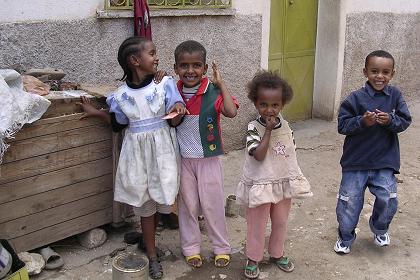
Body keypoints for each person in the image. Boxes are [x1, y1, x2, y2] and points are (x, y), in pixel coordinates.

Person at [79, 36, 187, 279]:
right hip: (137, 158)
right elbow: (118, 124)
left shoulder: (164, 84)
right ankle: (151, 255)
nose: (157, 57)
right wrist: (97, 113)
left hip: (162, 155)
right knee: (146, 207)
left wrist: (178, 110)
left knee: (160, 198)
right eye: (152, 53)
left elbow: (177, 113)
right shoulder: (120, 96)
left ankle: (147, 240)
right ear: (135, 60)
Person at [235, 70, 312, 279]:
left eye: (275, 105)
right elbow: (258, 155)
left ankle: (277, 254)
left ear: (282, 105)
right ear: (255, 103)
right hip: (260, 184)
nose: (269, 110)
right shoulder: (253, 127)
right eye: (263, 105)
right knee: (257, 224)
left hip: (281, 183)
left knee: (280, 221)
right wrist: (267, 131)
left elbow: (290, 152)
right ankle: (253, 257)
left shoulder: (286, 126)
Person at [334, 50, 412, 254]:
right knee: (349, 202)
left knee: (388, 198)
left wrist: (390, 121)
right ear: (365, 72)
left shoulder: (395, 96)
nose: (380, 76)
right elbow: (342, 125)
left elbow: (405, 121)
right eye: (374, 71)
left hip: (384, 161)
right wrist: (362, 121)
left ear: (392, 74)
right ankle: (345, 236)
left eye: (385, 72)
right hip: (356, 162)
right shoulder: (355, 98)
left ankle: (379, 228)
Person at [171, 40, 238, 268]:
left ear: (206, 68)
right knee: (187, 205)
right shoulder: (173, 90)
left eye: (196, 65)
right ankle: (191, 247)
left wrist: (222, 84)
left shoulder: (213, 90)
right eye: (184, 66)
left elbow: (230, 112)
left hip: (208, 159)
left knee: (213, 204)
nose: (190, 71)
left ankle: (221, 247)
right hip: (183, 160)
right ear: (176, 68)